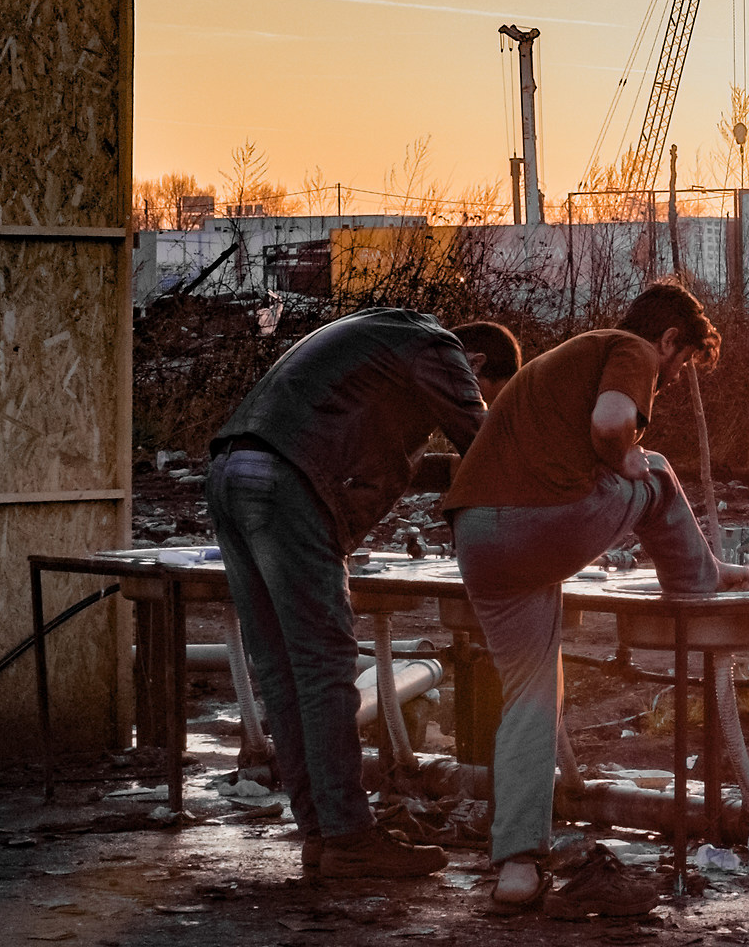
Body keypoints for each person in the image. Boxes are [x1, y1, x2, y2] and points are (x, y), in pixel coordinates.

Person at [442, 280, 749, 913]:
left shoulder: (558, 365)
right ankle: (701, 580)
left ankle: (517, 868)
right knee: (660, 469)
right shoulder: (630, 350)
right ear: (669, 340)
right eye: (681, 363)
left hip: (478, 538)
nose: (669, 380)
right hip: (537, 524)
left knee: (531, 697)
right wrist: (628, 459)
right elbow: (613, 423)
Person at [206, 309, 522, 880]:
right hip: (287, 482)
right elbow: (489, 444)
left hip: (232, 471)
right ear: (475, 367)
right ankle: (350, 837)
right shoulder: (441, 349)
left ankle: (322, 835)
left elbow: (404, 459)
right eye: (482, 393)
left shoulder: (385, 343)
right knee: (326, 667)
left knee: (282, 667)